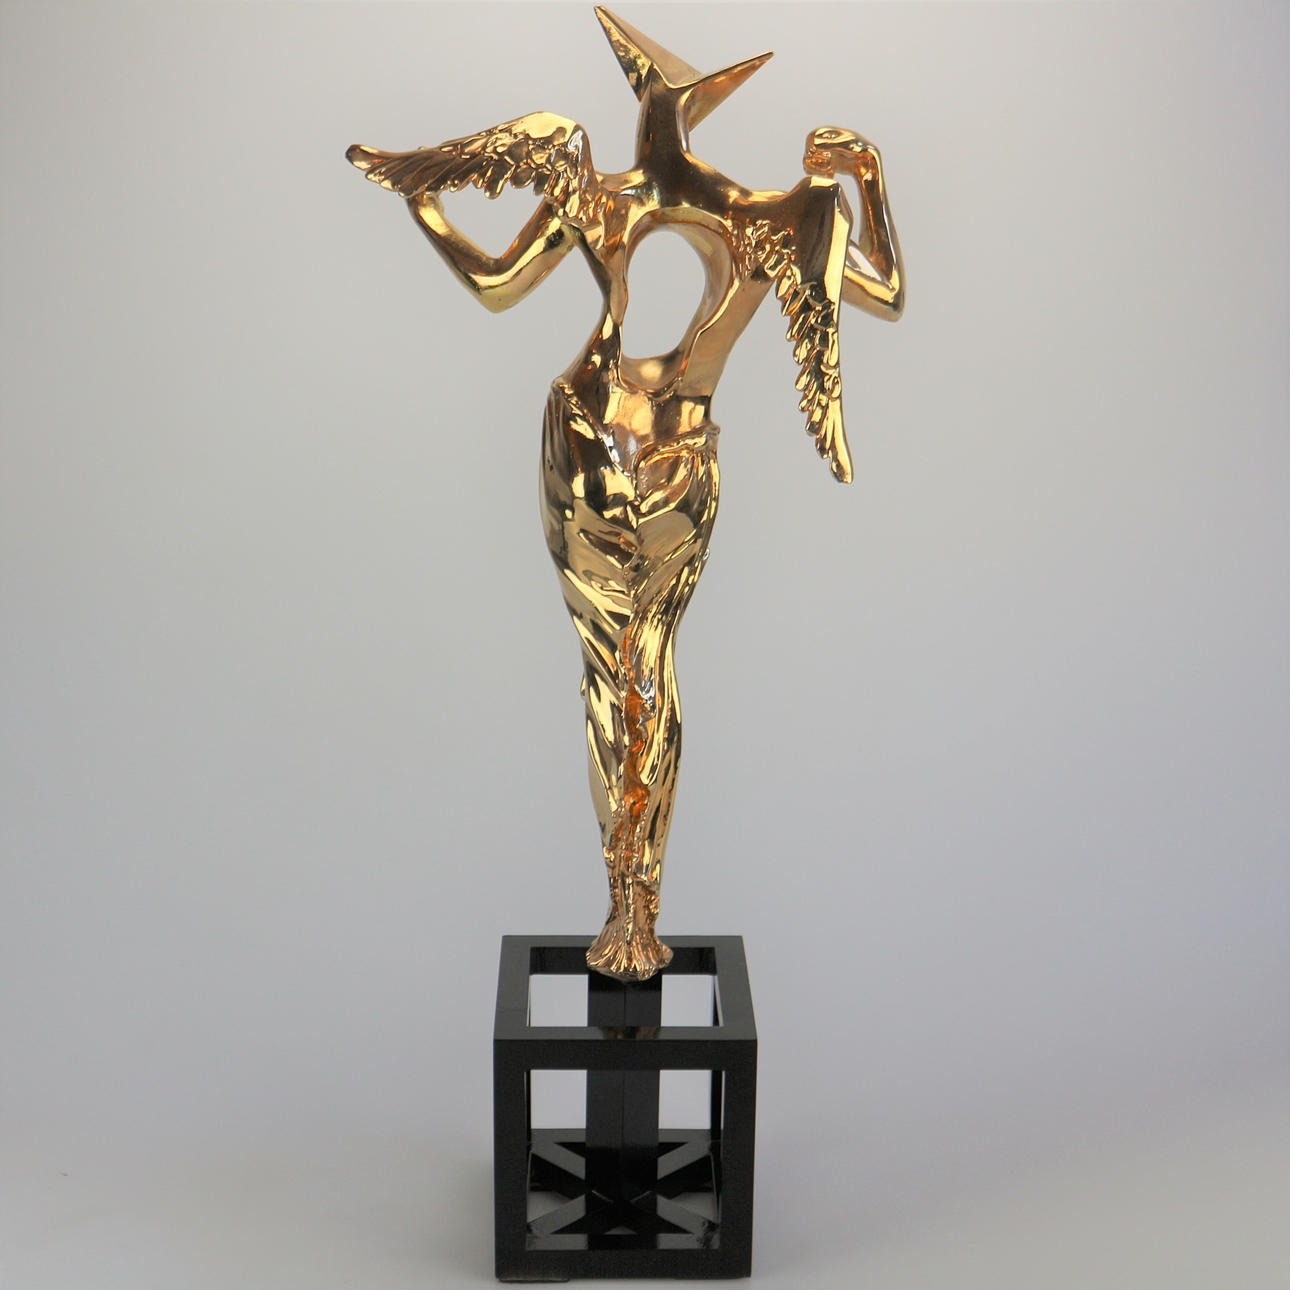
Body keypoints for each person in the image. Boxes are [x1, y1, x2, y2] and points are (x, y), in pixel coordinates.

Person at [348, 7, 904, 980]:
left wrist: (420, 199)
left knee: (609, 669)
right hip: (683, 452)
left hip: (589, 443)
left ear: (642, 107)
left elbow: (494, 284)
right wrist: (869, 178)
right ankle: (641, 912)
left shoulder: (591, 188)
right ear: (700, 112)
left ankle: (625, 914)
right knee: (656, 662)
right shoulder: (771, 216)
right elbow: (887, 294)